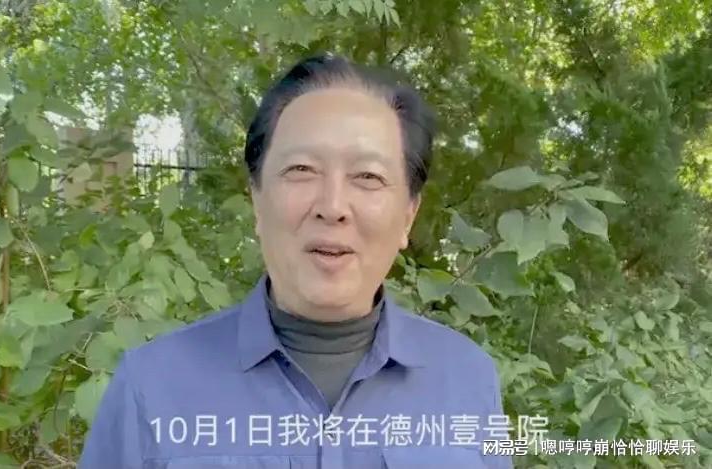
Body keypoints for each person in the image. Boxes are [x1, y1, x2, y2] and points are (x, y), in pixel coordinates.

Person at [79, 53, 512, 468]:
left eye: (368, 176)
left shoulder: (466, 378)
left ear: (408, 216)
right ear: (257, 199)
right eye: (302, 170)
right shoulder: (151, 386)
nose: (332, 206)